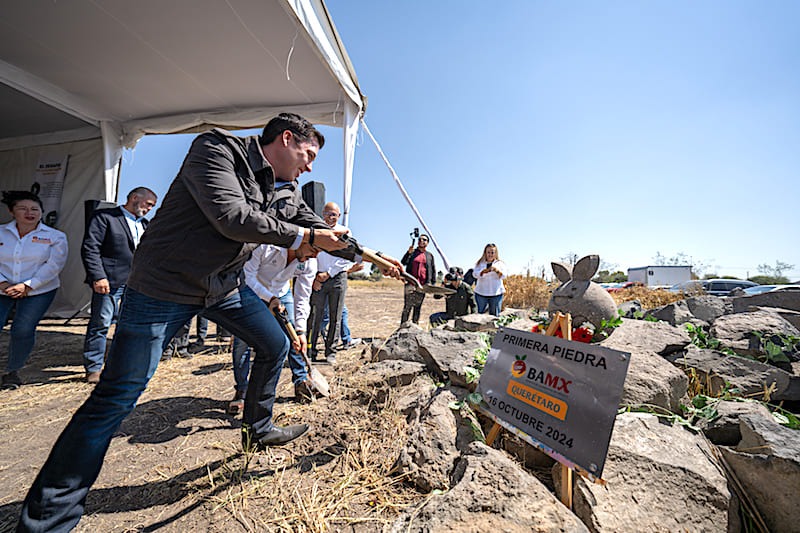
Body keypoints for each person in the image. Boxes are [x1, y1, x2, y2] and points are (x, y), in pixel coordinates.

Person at [17, 112, 402, 532]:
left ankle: (258, 427)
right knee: (118, 396)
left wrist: (367, 254)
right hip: (163, 286)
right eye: (308, 155)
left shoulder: (285, 188)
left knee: (275, 345)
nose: (310, 166)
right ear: (287, 139)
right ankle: (47, 518)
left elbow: (313, 225)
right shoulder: (216, 150)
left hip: (223, 287)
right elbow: (232, 217)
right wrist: (304, 239)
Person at [81, 187, 157, 383]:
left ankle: (120, 365)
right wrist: (98, 276)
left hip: (136, 285)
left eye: (152, 207)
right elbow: (91, 248)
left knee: (130, 326)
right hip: (110, 282)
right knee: (101, 323)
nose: (149, 209)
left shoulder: (146, 225)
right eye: (148, 204)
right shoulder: (105, 217)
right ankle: (94, 367)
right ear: (134, 198)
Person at [229, 243, 317, 413]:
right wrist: (269, 298)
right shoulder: (266, 246)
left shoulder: (309, 261)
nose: (315, 256)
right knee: (242, 342)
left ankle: (300, 381)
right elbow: (248, 276)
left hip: (282, 293)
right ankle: (242, 390)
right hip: (250, 291)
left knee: (293, 340)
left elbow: (303, 296)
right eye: (314, 250)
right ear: (302, 241)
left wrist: (300, 331)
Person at [0, 191, 68, 389]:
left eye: (34, 209)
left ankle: (13, 371)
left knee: (22, 329)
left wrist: (28, 285)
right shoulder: (2, 233)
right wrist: (3, 284)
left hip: (38, 290)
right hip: (2, 287)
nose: (29, 213)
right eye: (23, 208)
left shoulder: (55, 236)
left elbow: (54, 265)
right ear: (11, 211)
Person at [308, 202, 354, 364]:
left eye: (334, 214)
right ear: (322, 214)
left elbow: (346, 258)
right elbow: (310, 254)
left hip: (337, 279)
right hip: (318, 280)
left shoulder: (345, 233)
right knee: (315, 316)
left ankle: (330, 352)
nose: (330, 217)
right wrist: (315, 277)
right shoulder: (316, 232)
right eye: (327, 213)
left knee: (336, 316)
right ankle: (310, 350)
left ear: (339, 216)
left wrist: (328, 273)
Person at [400, 234, 435, 324]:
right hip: (410, 284)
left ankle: (415, 326)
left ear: (427, 243)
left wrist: (432, 284)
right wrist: (408, 253)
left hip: (422, 285)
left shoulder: (429, 256)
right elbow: (403, 262)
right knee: (407, 307)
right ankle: (403, 327)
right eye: (420, 239)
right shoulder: (412, 252)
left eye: (424, 239)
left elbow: (432, 269)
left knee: (418, 307)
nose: (421, 241)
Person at [473, 243, 507, 316]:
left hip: (496, 293)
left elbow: (504, 276)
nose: (490, 254)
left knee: (494, 316)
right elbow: (474, 274)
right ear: (485, 253)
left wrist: (496, 271)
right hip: (481, 293)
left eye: (492, 252)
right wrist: (482, 272)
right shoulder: (479, 263)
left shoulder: (500, 263)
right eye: (488, 252)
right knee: (480, 315)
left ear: (495, 253)